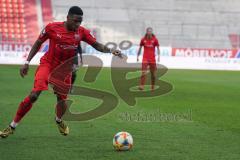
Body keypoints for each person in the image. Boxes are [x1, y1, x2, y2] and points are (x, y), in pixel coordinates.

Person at [0, 6, 122, 138]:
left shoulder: (81, 32)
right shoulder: (52, 27)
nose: (77, 24)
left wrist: (110, 50)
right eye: (75, 21)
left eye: (80, 22)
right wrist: (27, 62)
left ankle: (58, 120)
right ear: (68, 18)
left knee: (62, 101)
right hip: (48, 65)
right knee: (34, 95)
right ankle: (12, 126)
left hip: (65, 70)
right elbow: (38, 43)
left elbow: (96, 45)